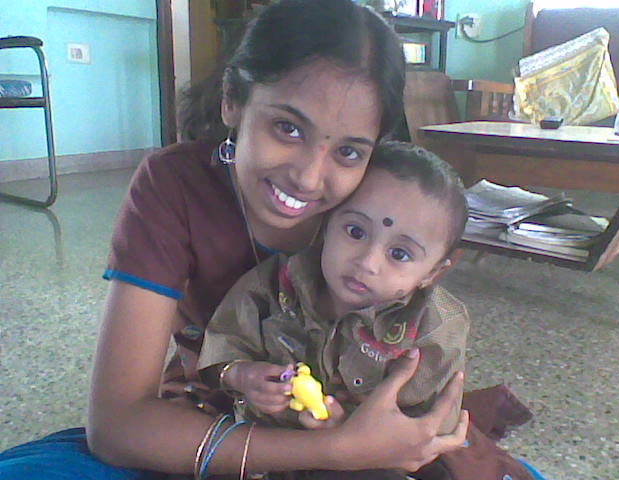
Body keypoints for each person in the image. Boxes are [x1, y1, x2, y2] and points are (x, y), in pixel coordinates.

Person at [0, 1, 470, 479]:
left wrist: (376, 441)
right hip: (209, 423)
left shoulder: (376, 203)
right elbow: (117, 426)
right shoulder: (176, 185)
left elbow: (417, 404)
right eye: (288, 128)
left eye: (348, 151)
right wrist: (335, 451)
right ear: (233, 100)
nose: (308, 178)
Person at [196, 142, 470, 479]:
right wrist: (241, 376)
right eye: (355, 232)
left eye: (399, 254)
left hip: (369, 463)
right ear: (327, 223)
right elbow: (222, 344)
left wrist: (350, 432)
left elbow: (427, 431)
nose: (367, 262)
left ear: (433, 272)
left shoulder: (435, 327)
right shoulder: (274, 284)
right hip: (269, 450)